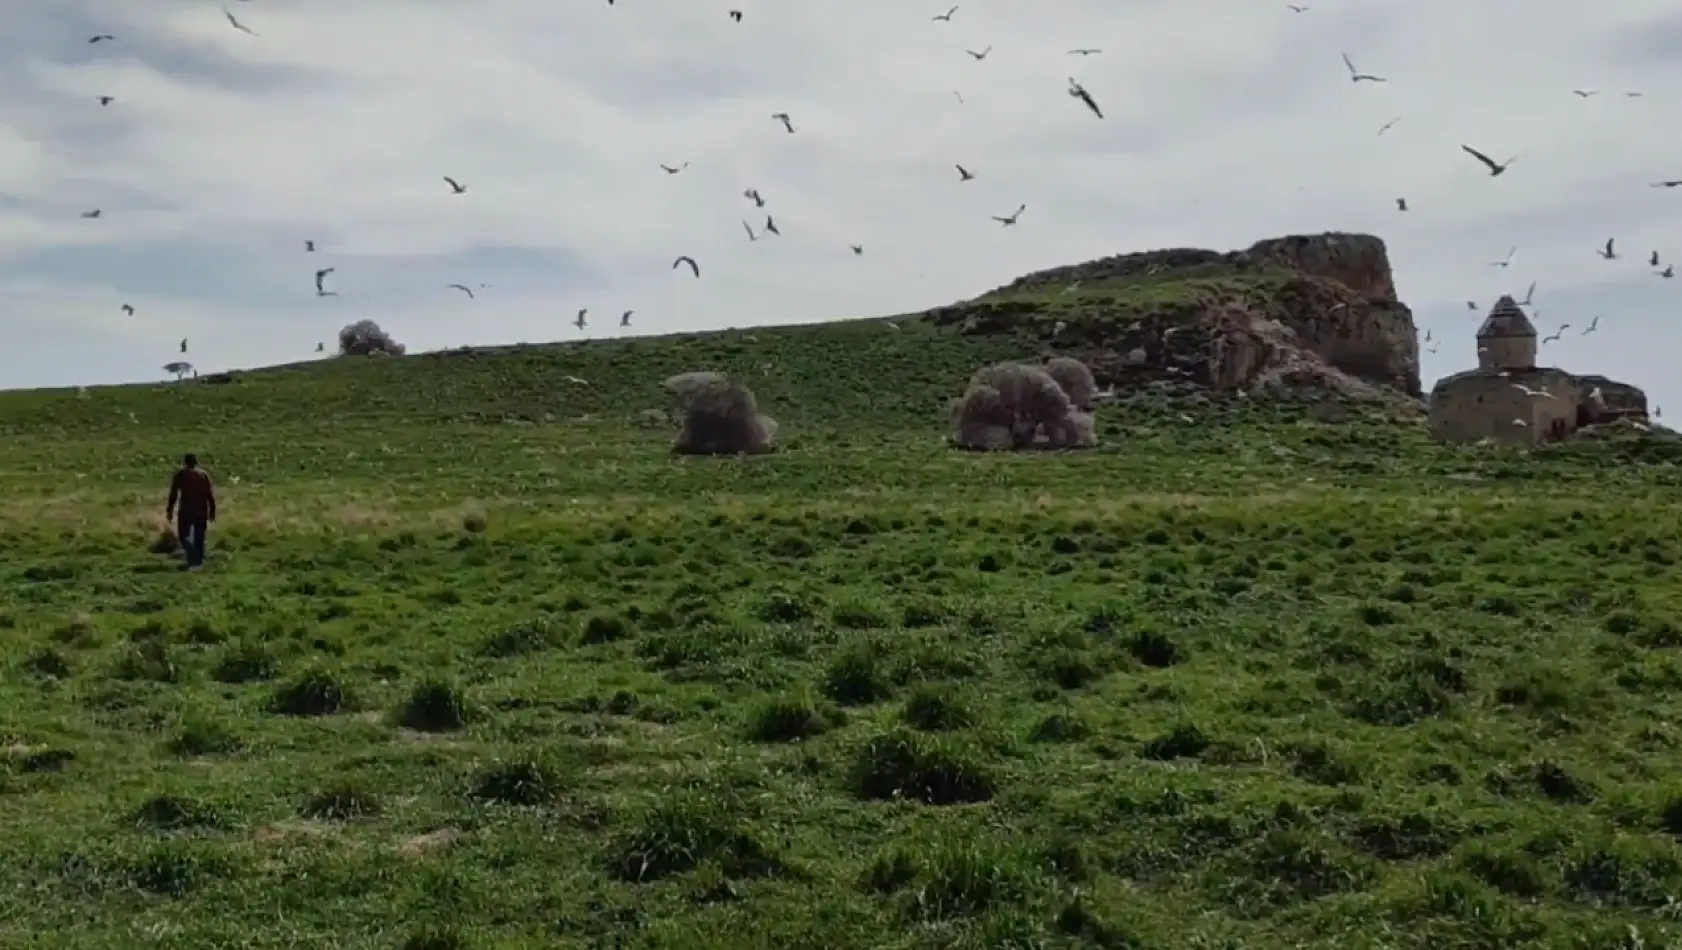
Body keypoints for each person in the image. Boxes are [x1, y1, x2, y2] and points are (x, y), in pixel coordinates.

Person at [165, 453, 216, 570]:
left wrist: (170, 510)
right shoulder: (203, 475)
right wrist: (212, 510)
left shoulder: (180, 475)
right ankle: (198, 561)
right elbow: (210, 495)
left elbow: (173, 494)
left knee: (183, 537)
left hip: (186, 509)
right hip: (201, 509)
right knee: (200, 537)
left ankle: (192, 555)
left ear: (185, 462)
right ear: (196, 462)